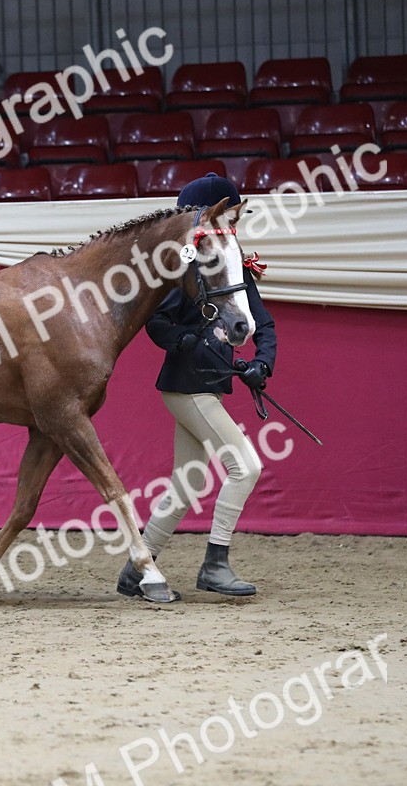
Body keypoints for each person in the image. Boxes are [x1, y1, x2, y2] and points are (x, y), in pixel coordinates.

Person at [118, 173, 277, 601]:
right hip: (187, 385)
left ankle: (137, 569)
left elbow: (263, 324)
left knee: (186, 483)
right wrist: (184, 340)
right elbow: (157, 321)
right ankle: (214, 565)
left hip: (209, 386)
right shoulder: (187, 267)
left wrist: (261, 364)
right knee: (246, 467)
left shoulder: (232, 268)